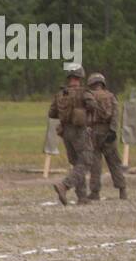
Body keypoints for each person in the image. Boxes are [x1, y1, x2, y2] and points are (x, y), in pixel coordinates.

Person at [49, 67, 95, 206]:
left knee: (77, 164)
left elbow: (51, 113)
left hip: (65, 131)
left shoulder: (60, 94)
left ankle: (82, 197)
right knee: (86, 160)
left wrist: (66, 114)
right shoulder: (84, 92)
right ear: (80, 77)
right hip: (79, 131)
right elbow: (93, 105)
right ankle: (64, 185)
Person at [85, 72, 127, 200]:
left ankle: (95, 192)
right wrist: (113, 131)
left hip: (93, 132)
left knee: (95, 164)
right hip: (108, 132)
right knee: (114, 162)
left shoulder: (88, 96)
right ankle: (122, 190)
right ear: (102, 83)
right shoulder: (111, 96)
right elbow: (115, 115)